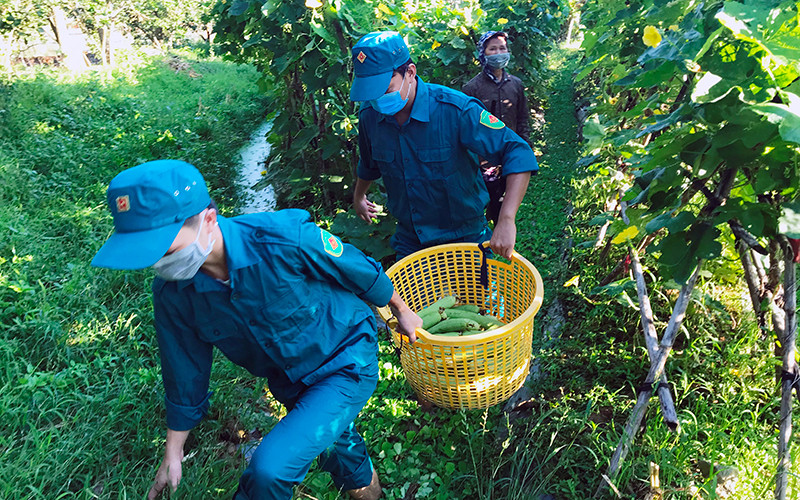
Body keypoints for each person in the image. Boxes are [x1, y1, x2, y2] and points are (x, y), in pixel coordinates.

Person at [90, 159, 421, 500]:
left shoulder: (281, 239)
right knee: (334, 440)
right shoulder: (173, 294)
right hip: (289, 379)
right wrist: (172, 451)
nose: (157, 262)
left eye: (163, 248)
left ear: (208, 220)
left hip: (344, 359)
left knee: (269, 470)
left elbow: (354, 268)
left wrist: (401, 310)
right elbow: (184, 371)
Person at [349, 31, 538, 261]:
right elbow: (369, 163)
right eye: (370, 94)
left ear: (410, 72)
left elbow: (516, 151)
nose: (377, 100)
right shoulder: (371, 115)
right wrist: (359, 196)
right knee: (411, 297)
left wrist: (506, 219)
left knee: (473, 297)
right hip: (411, 239)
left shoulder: (456, 110)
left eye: (385, 90)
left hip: (465, 237)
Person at [462, 31, 533, 226]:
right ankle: (486, 230)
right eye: (492, 49)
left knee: (506, 196)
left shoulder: (515, 85)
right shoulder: (472, 88)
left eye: (502, 48)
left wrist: (524, 146)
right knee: (486, 198)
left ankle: (502, 226)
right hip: (484, 160)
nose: (498, 53)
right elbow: (469, 127)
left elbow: (522, 118)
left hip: (509, 155)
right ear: (483, 54)